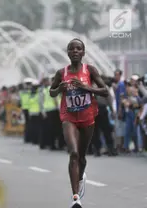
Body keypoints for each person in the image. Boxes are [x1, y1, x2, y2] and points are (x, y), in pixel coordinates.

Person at [49, 38, 108, 207]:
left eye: (78, 48)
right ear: (67, 53)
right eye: (71, 49)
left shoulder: (89, 70)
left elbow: (105, 91)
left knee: (81, 156)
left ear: (83, 52)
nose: (75, 51)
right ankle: (75, 197)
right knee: (73, 153)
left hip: (88, 117)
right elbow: (52, 92)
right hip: (69, 117)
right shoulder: (62, 73)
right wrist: (59, 89)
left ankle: (80, 179)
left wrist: (86, 87)